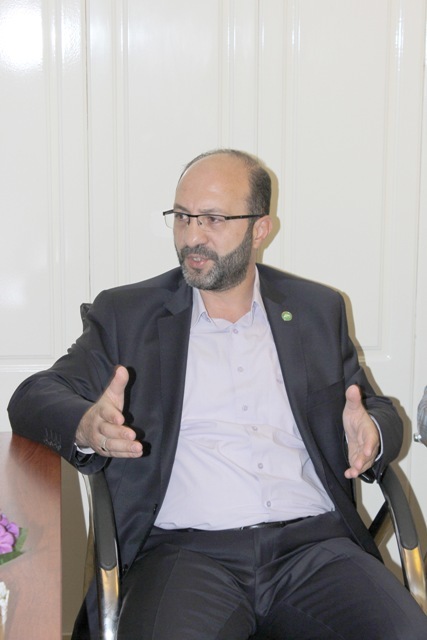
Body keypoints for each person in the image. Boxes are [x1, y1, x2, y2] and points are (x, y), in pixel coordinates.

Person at [8, 149, 427, 639]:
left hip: (315, 549)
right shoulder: (129, 315)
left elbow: (373, 409)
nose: (192, 236)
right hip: (184, 556)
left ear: (260, 229)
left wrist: (373, 432)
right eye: (182, 217)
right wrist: (86, 426)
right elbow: (33, 395)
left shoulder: (315, 310)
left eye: (213, 219)